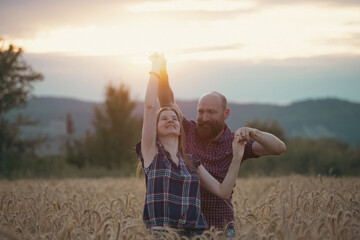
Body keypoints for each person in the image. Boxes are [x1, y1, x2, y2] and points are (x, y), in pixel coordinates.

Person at [157, 57, 287, 237]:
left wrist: (254, 132)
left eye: (211, 112)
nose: (204, 117)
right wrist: (162, 72)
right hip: (186, 227)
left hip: (221, 227)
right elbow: (167, 102)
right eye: (201, 111)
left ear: (226, 114)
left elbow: (278, 148)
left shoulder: (236, 142)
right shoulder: (188, 130)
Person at [136, 52, 247, 238]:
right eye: (163, 118)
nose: (170, 120)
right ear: (155, 128)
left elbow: (223, 191)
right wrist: (155, 69)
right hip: (163, 235)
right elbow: (149, 106)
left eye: (174, 118)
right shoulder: (151, 153)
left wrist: (237, 157)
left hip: (196, 234)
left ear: (181, 128)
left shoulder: (192, 162)